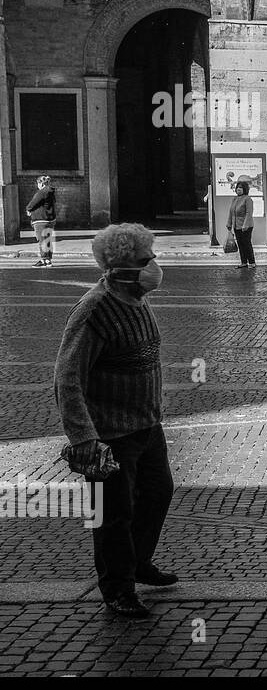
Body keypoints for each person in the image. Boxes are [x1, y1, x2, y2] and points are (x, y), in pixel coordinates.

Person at [54, 223, 176, 619]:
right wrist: (83, 437)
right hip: (110, 434)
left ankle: (138, 562)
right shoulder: (93, 310)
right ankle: (117, 588)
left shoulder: (137, 297)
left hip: (146, 426)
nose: (153, 266)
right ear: (120, 267)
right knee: (111, 514)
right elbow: (68, 377)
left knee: (157, 494)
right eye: (145, 261)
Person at [25, 175, 56, 268]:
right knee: (48, 240)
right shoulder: (51, 192)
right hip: (49, 219)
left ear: (41, 183)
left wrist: (28, 209)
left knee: (42, 240)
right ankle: (48, 260)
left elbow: (32, 204)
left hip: (41, 220)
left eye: (38, 183)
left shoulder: (42, 192)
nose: (37, 185)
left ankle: (44, 260)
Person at [226, 181, 256, 269]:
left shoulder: (247, 199)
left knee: (246, 244)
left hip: (246, 226)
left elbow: (248, 213)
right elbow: (231, 212)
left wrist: (245, 225)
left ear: (245, 189)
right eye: (237, 187)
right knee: (240, 244)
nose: (238, 189)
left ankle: (252, 262)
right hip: (236, 226)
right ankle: (243, 262)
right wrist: (229, 223)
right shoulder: (234, 199)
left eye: (241, 188)